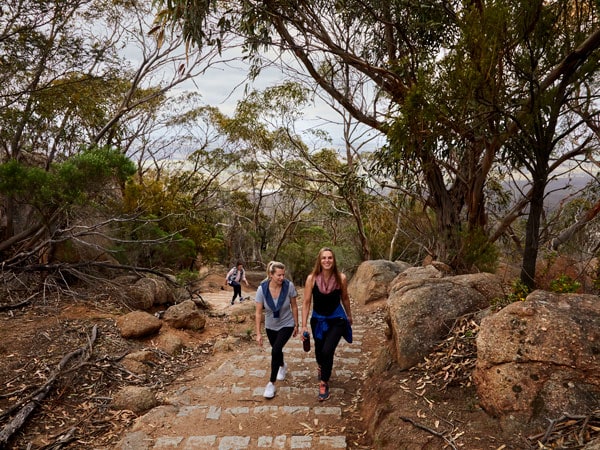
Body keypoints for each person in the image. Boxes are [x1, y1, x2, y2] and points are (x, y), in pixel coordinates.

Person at [301, 247, 353, 401]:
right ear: (319, 260)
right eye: (324, 258)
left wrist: (349, 315)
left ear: (334, 260)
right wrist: (303, 325)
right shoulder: (311, 279)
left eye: (330, 258)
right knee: (319, 349)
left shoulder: (341, 278)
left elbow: (344, 298)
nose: (327, 261)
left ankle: (324, 382)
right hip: (318, 319)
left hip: (337, 319)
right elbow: (306, 302)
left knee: (327, 350)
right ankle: (321, 366)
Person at [255, 261, 299, 399]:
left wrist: (297, 324)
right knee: (277, 349)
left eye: (283, 275)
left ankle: (271, 383)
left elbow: (294, 306)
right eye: (279, 275)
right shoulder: (262, 289)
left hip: (286, 323)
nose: (282, 278)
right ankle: (282, 365)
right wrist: (258, 333)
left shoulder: (289, 286)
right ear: (271, 274)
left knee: (275, 350)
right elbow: (257, 313)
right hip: (270, 325)